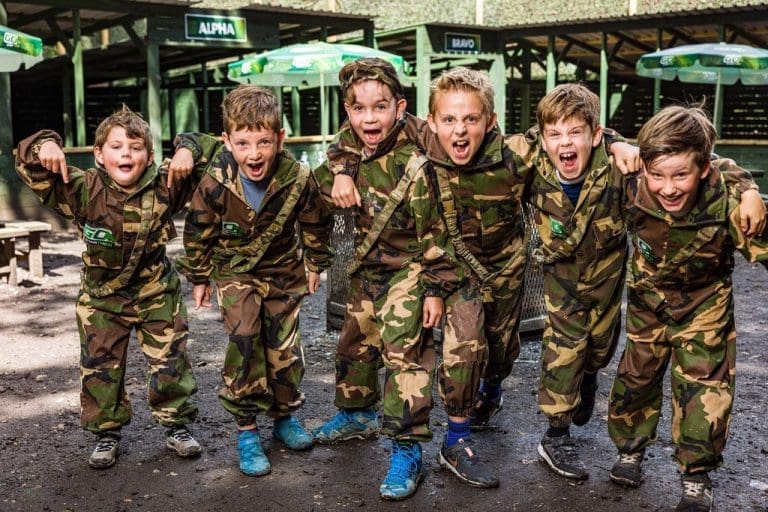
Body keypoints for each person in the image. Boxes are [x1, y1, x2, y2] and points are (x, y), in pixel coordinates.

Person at [15, 105, 202, 469]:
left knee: (170, 362)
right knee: (101, 367)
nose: (126, 154)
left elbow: (210, 154)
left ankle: (177, 425)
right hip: (102, 299)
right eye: (116, 147)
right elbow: (25, 160)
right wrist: (45, 145)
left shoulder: (166, 185)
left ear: (149, 156)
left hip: (155, 294)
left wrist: (187, 149)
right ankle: (106, 432)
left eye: (135, 147)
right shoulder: (82, 187)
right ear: (99, 155)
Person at [312, 58, 463, 500]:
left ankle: (407, 444)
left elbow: (436, 228)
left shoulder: (421, 148)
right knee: (355, 342)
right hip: (367, 267)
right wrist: (340, 171)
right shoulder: (349, 146)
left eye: (380, 107)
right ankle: (357, 413)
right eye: (359, 109)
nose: (369, 118)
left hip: (411, 267)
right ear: (348, 111)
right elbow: (323, 170)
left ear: (400, 107)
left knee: (405, 355)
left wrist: (434, 287)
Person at [607, 105, 768, 512]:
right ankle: (630, 450)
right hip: (647, 301)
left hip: (704, 305)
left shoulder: (728, 200)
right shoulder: (630, 183)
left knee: (704, 389)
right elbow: (588, 139)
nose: (668, 187)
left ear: (703, 169)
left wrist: (748, 191)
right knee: (636, 377)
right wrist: (616, 143)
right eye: (657, 174)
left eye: (681, 175)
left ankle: (696, 474)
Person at [173, 85, 334, 477]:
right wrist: (199, 276)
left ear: (280, 138)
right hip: (235, 272)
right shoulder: (214, 180)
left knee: (283, 347)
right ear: (227, 141)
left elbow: (314, 222)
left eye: (264, 141)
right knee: (245, 341)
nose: (254, 153)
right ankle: (246, 429)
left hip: (283, 271)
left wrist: (316, 263)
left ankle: (284, 417)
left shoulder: (296, 177)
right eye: (243, 143)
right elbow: (198, 231)